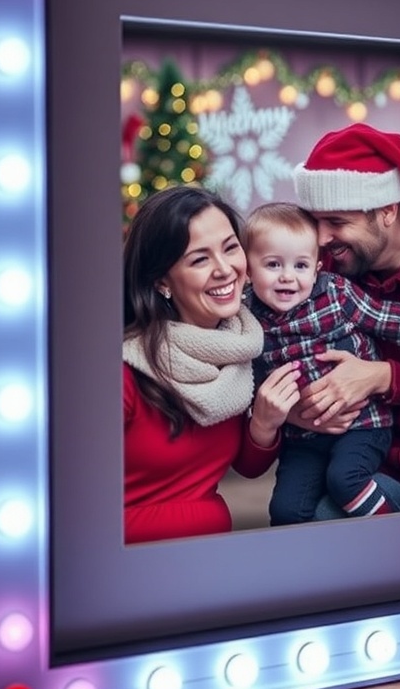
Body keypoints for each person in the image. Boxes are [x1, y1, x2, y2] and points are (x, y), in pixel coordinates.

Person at [123, 185, 301, 544]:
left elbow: (247, 467)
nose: (225, 270)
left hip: (212, 559)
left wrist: (264, 425)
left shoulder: (237, 347)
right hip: (132, 562)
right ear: (162, 282)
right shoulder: (127, 371)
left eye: (230, 248)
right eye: (199, 259)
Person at [244, 202, 400, 525]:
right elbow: (247, 383)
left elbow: (389, 319)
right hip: (303, 438)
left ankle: (396, 535)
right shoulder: (249, 319)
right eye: (273, 265)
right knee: (286, 509)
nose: (288, 277)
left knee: (344, 481)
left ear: (318, 267)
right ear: (248, 270)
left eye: (301, 266)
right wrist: (279, 414)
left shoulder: (334, 294)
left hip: (362, 425)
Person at [293, 122, 400, 516]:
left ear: (388, 211)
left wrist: (382, 376)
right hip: (367, 468)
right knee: (318, 517)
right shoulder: (323, 268)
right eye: (315, 221)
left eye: (337, 222)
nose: (321, 238)